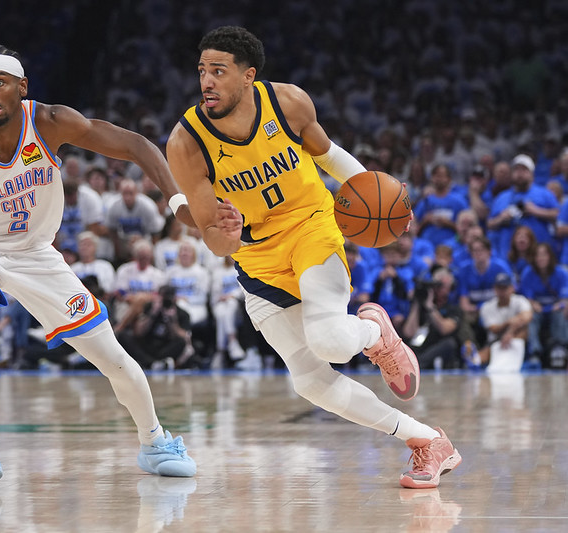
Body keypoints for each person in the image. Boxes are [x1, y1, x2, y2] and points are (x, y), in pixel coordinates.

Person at [0, 45, 196, 485]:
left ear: (22, 87)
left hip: (37, 254)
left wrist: (178, 204)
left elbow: (137, 145)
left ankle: (154, 441)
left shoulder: (49, 122)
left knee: (114, 359)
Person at [165, 26, 460, 489]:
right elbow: (214, 240)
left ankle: (374, 333)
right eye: (202, 70)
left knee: (330, 341)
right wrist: (228, 236)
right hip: (256, 258)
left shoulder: (287, 102)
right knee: (309, 381)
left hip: (311, 226)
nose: (206, 81)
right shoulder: (186, 143)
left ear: (248, 76)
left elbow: (331, 157)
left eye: (218, 71)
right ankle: (428, 441)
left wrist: (381, 201)